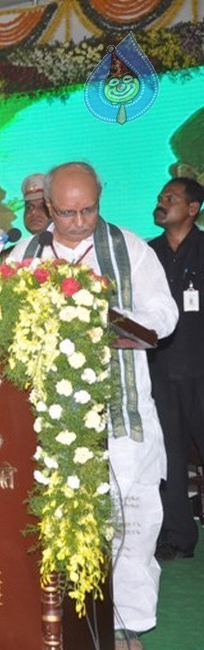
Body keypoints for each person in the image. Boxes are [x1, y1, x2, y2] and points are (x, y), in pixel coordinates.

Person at [9, 162, 178, 650]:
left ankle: (127, 622)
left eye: (88, 210)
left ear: (99, 201)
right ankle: (54, 617)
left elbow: (164, 315)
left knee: (132, 516)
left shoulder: (130, 249)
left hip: (121, 409)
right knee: (55, 516)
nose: (79, 221)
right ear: (46, 207)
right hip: (50, 413)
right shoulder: (26, 253)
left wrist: (113, 318)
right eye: (66, 212)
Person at [147, 176, 204, 561]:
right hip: (160, 372)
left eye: (170, 198)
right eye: (160, 196)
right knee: (167, 457)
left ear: (193, 208)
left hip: (201, 369)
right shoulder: (146, 253)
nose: (161, 202)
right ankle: (179, 538)